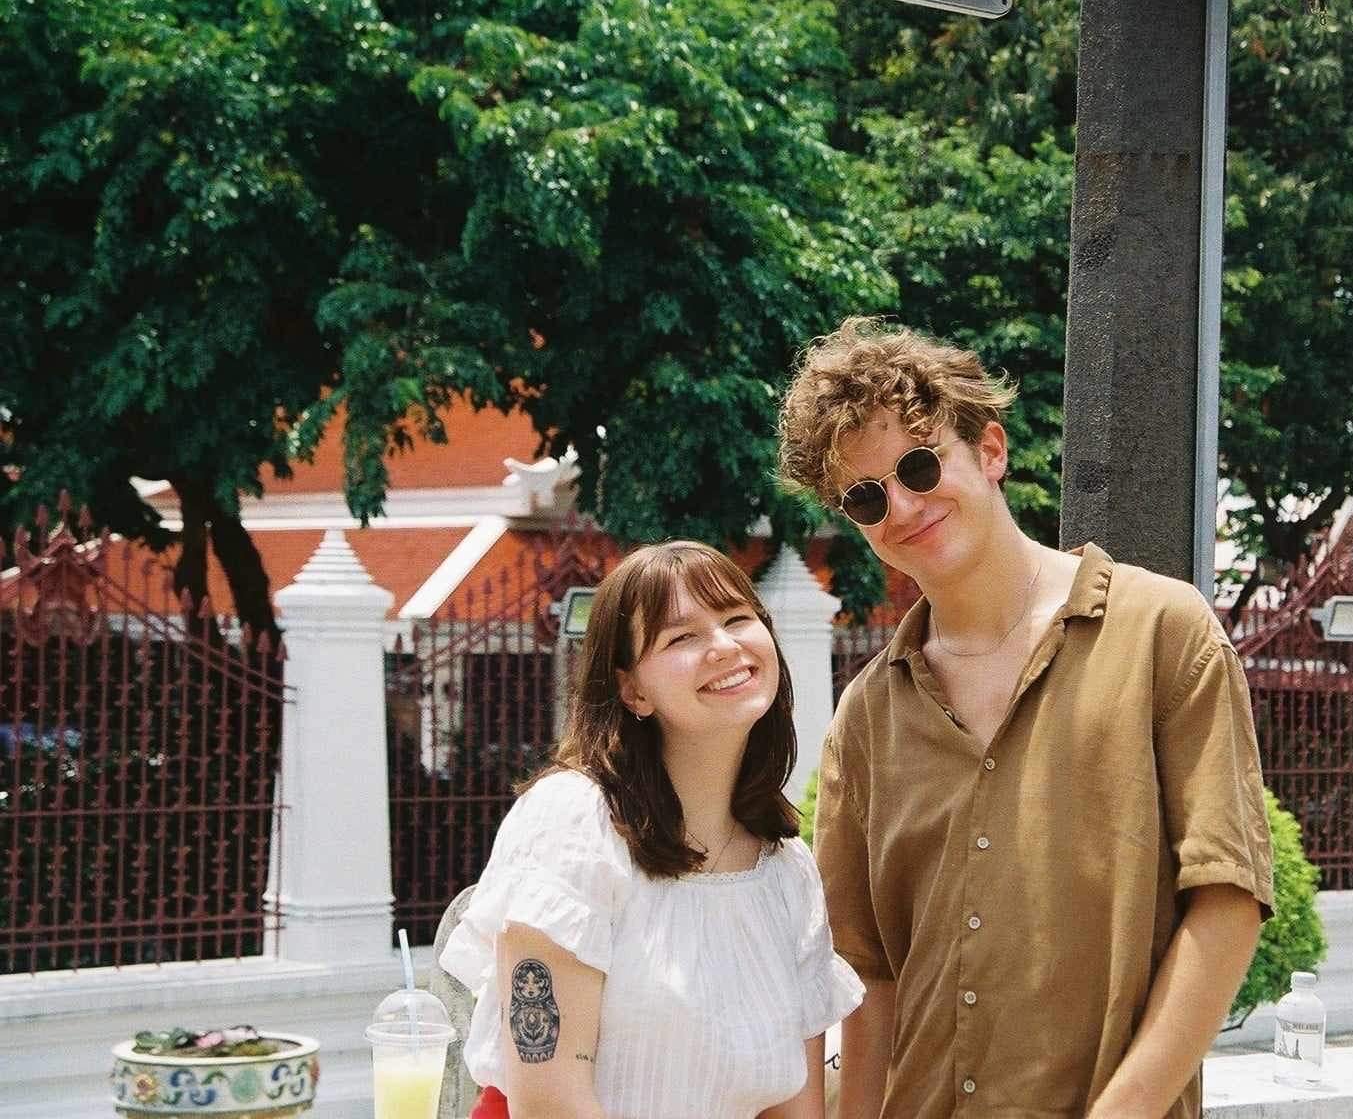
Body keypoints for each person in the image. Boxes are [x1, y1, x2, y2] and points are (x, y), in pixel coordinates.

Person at [777, 319, 1275, 1119]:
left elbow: (1228, 899)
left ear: (992, 451)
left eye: (919, 463)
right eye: (867, 497)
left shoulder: (1160, 633)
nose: (902, 505)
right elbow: (864, 974)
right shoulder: (867, 716)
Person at [439, 541, 863, 1119]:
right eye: (682, 637)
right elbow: (551, 1101)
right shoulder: (573, 822)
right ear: (632, 689)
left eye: (738, 619)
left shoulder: (788, 874)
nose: (724, 646)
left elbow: (795, 1110)